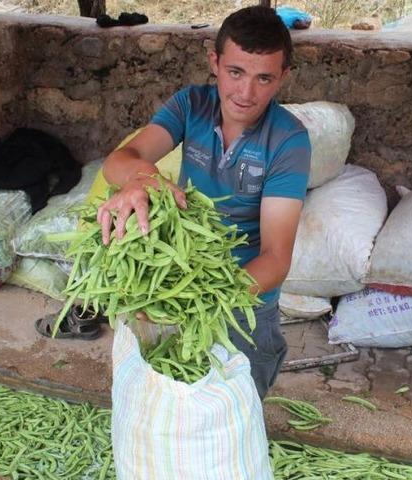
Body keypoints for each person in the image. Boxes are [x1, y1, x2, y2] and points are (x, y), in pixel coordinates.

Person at [97, 5, 311, 399]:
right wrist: (142, 179)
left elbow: (276, 259)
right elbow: (120, 161)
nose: (246, 93)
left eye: (263, 78)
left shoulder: (288, 141)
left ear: (283, 77)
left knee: (234, 403)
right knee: (167, 397)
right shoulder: (190, 106)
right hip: (179, 276)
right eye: (235, 73)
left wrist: (199, 301)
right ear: (214, 62)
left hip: (243, 298)